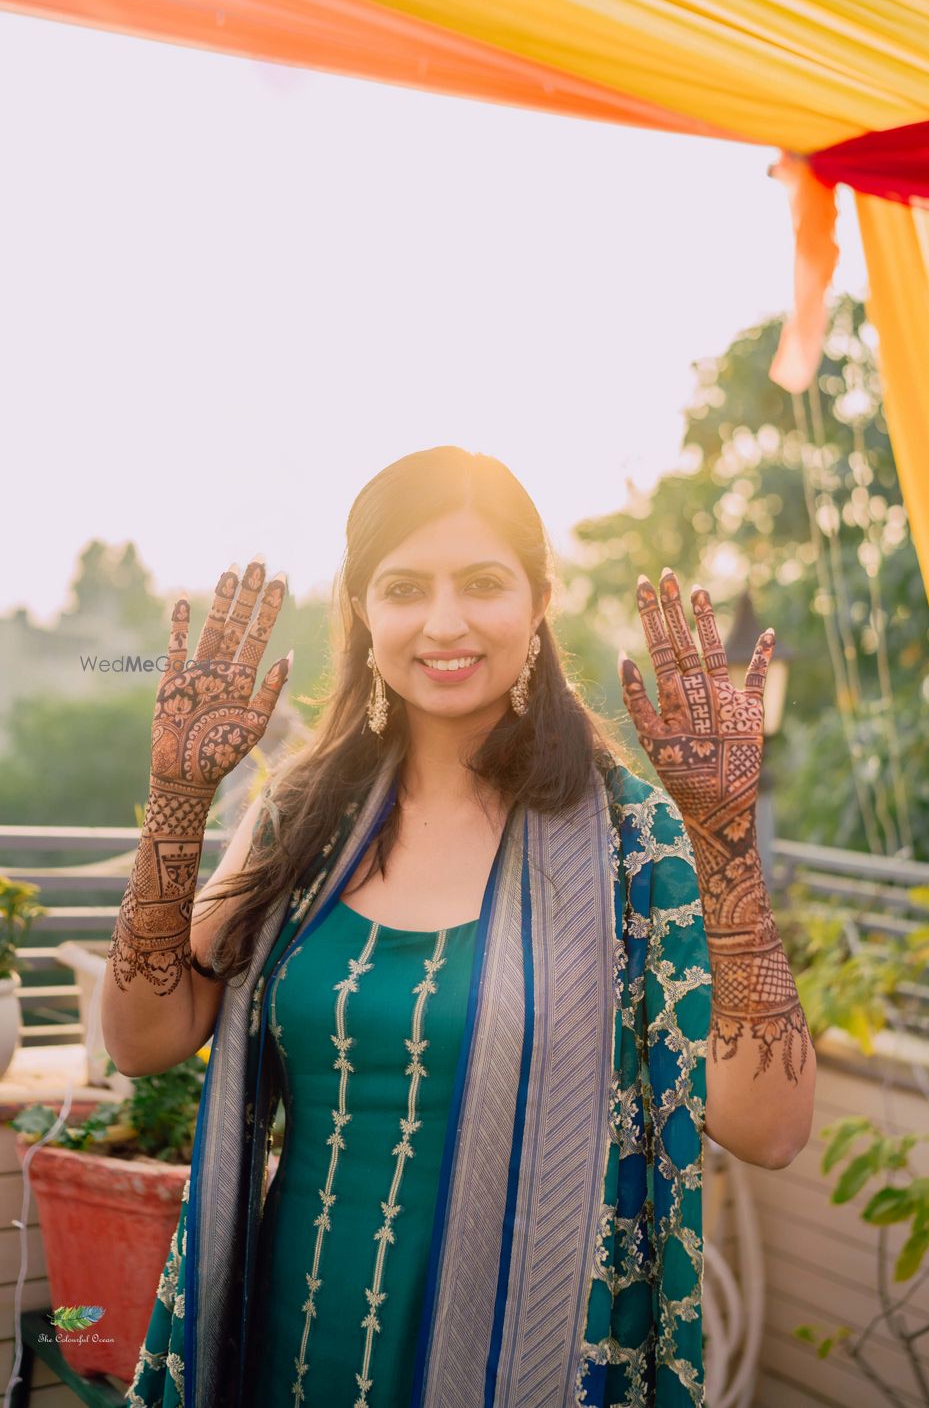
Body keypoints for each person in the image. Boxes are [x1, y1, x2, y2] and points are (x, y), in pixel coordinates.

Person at [103, 445, 815, 1408]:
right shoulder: (305, 819)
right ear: (362, 610)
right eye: (404, 587)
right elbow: (145, 1039)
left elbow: (768, 1131)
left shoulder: (631, 839)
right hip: (290, 1340)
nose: (444, 623)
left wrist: (726, 842)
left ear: (539, 599)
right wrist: (178, 800)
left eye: (483, 583)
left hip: (530, 1362)